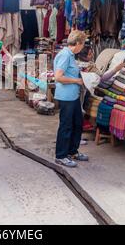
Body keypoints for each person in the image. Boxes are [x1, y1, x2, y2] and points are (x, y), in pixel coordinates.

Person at [54, 30, 88, 168]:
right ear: (78, 43)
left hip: (72, 96)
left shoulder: (70, 55)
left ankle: (72, 151)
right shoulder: (65, 55)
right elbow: (58, 77)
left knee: (77, 124)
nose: (83, 47)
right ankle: (61, 155)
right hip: (66, 96)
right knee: (66, 126)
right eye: (83, 44)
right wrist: (77, 81)